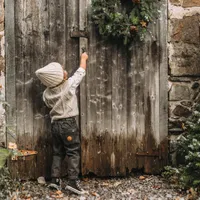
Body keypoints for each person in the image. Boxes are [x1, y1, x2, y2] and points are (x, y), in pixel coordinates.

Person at [35, 52, 88, 195]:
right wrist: (83, 58)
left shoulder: (46, 94)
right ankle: (72, 182)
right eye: (63, 70)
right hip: (68, 125)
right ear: (62, 77)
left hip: (55, 125)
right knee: (73, 152)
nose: (65, 70)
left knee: (58, 153)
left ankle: (55, 180)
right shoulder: (69, 85)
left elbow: (47, 104)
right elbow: (80, 72)